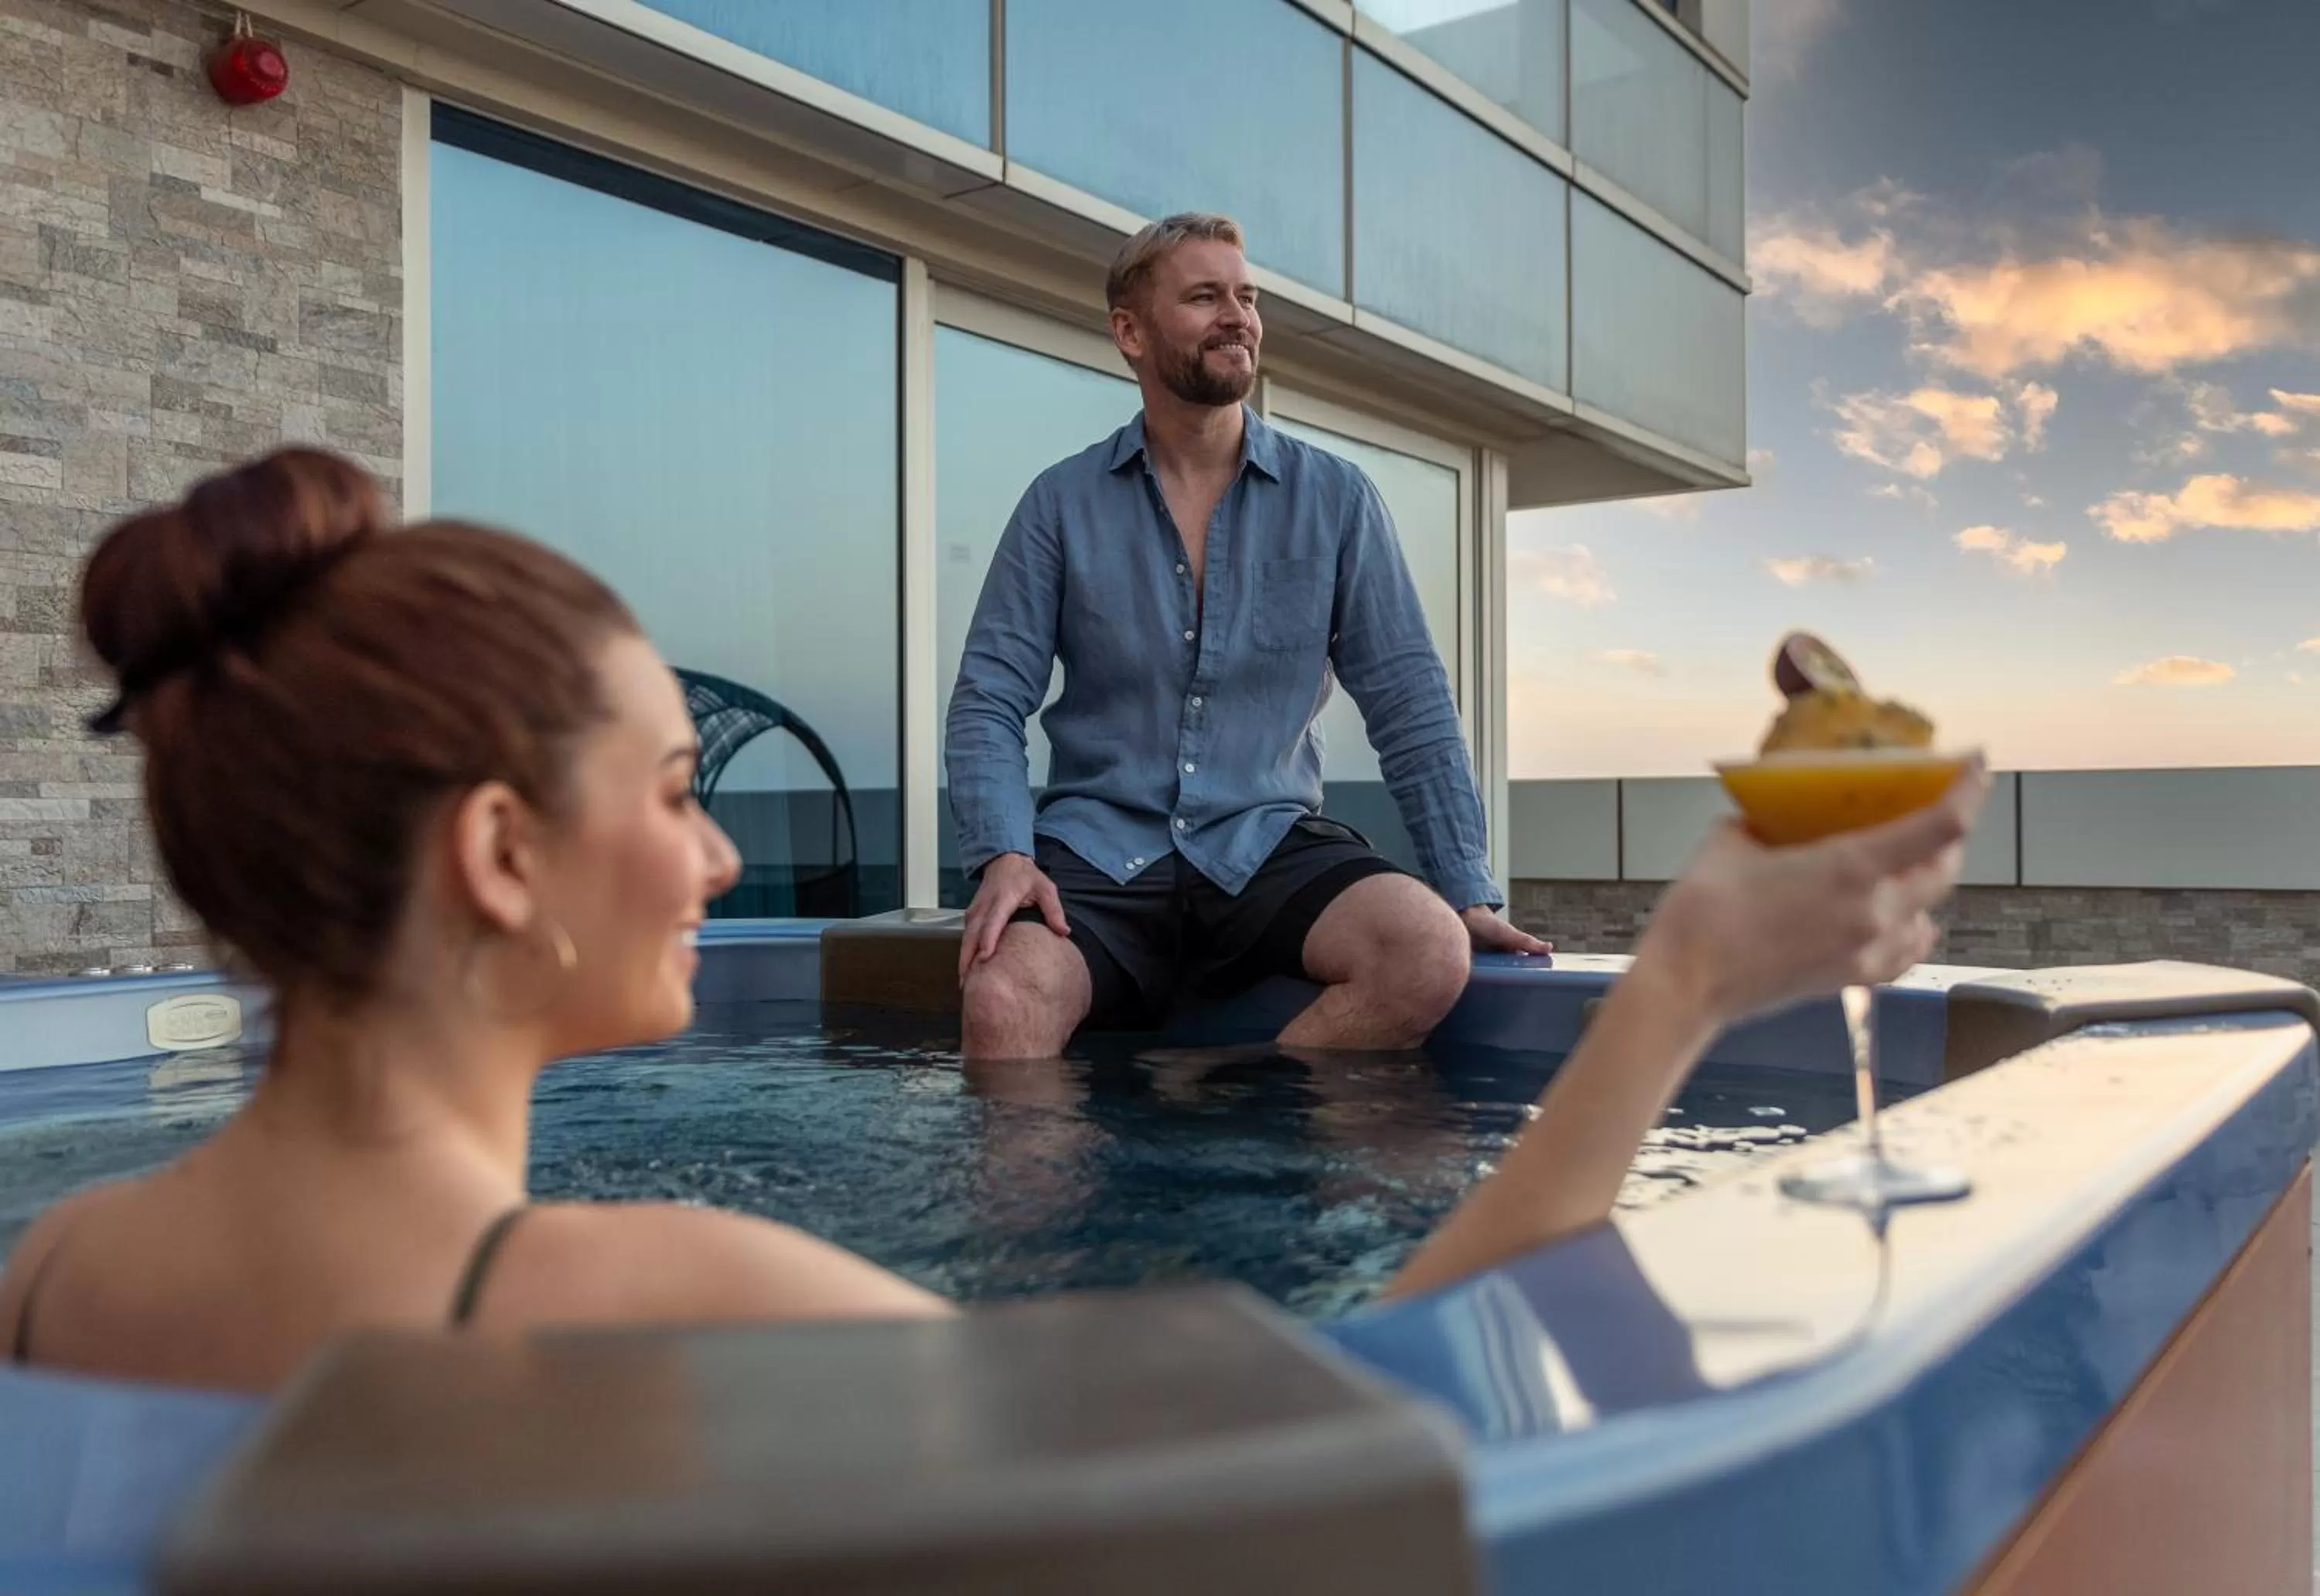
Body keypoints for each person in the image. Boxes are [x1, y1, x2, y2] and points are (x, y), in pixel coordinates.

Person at [0, 448, 1988, 1393]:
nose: (715, 861)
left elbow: (1402, 702)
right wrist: (1686, 983)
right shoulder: (681, 1293)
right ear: (505, 855)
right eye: (684, 793)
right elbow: (1349, 1448)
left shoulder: (61, 1264)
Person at [945, 213, 1550, 1062]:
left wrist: (1466, 888)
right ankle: (1051, 1198)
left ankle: (1237, 1099)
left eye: (1247, 296)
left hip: (1267, 844)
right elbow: (988, 700)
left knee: (1426, 951)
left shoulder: (1337, 499)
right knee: (1003, 998)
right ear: (1130, 331)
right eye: (1204, 297)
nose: (1239, 316)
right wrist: (1004, 855)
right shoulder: (1059, 504)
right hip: (1100, 852)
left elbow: (1410, 703)